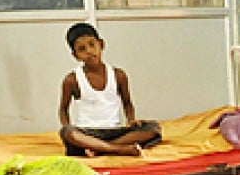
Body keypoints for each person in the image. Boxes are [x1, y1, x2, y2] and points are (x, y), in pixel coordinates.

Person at [57, 22, 162, 157]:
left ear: (101, 44)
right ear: (76, 55)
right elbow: (63, 109)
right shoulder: (71, 80)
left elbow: (128, 103)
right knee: (67, 133)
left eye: (92, 45)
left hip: (115, 131)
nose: (89, 51)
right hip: (87, 133)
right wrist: (66, 127)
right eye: (82, 49)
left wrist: (131, 120)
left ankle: (100, 149)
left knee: (153, 128)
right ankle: (119, 149)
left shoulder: (119, 75)